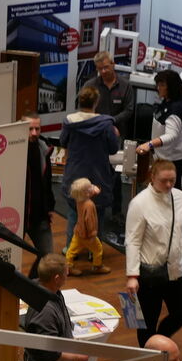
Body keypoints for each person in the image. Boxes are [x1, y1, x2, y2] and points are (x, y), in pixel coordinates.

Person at [124, 158, 182, 347]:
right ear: (152, 177)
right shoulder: (139, 203)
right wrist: (132, 276)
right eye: (164, 180)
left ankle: (159, 342)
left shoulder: (180, 197)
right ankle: (150, 354)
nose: (168, 185)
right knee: (146, 323)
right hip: (149, 274)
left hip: (176, 269)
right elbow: (132, 241)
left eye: (172, 180)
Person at [59, 84, 118, 251]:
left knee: (74, 212)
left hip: (75, 174)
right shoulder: (106, 125)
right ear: (96, 102)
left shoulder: (69, 122)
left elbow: (63, 142)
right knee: (98, 214)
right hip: (98, 175)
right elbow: (113, 149)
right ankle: (95, 251)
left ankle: (70, 248)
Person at [83, 50, 135, 227]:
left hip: (116, 136)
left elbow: (129, 110)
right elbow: (84, 108)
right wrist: (103, 124)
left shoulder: (126, 86)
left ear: (113, 64)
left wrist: (112, 122)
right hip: (95, 136)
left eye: (106, 67)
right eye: (100, 69)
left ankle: (116, 212)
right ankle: (94, 208)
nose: (103, 71)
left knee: (114, 175)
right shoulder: (91, 85)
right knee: (94, 172)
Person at [135, 69, 182, 189]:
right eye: (158, 84)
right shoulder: (169, 99)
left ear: (171, 87)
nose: (158, 88)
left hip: (177, 155)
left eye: (162, 85)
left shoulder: (176, 109)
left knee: (171, 187)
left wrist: (149, 144)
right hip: (170, 150)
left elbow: (171, 136)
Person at [23, 114, 55, 279]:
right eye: (30, 129)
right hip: (18, 214)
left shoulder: (44, 149)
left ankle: (32, 285)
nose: (34, 133)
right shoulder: (13, 151)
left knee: (47, 257)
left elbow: (47, 181)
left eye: (37, 129)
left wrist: (49, 207)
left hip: (39, 214)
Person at [65, 177, 109, 276]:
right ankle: (97, 266)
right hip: (88, 235)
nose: (93, 187)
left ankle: (68, 267)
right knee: (98, 249)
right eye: (90, 187)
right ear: (86, 193)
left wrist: (93, 190)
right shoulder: (89, 205)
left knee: (71, 251)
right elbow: (90, 221)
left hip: (78, 231)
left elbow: (91, 192)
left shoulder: (79, 200)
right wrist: (93, 234)